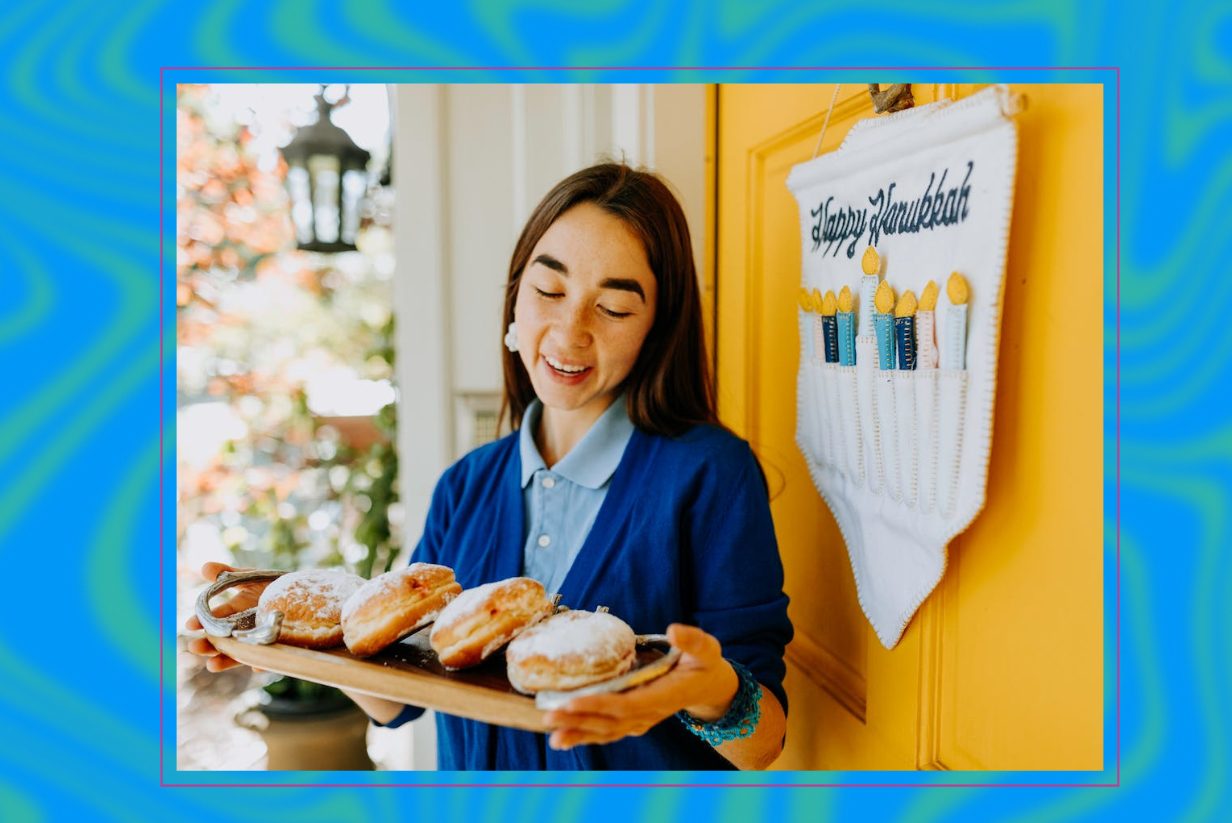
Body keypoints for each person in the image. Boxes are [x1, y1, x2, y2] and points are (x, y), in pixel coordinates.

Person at [187, 162, 793, 771]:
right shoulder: (466, 485)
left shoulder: (710, 474)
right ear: (514, 297)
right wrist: (281, 634)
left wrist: (711, 688)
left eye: (612, 307)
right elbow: (397, 700)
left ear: (656, 329)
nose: (570, 331)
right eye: (549, 291)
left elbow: (764, 743)